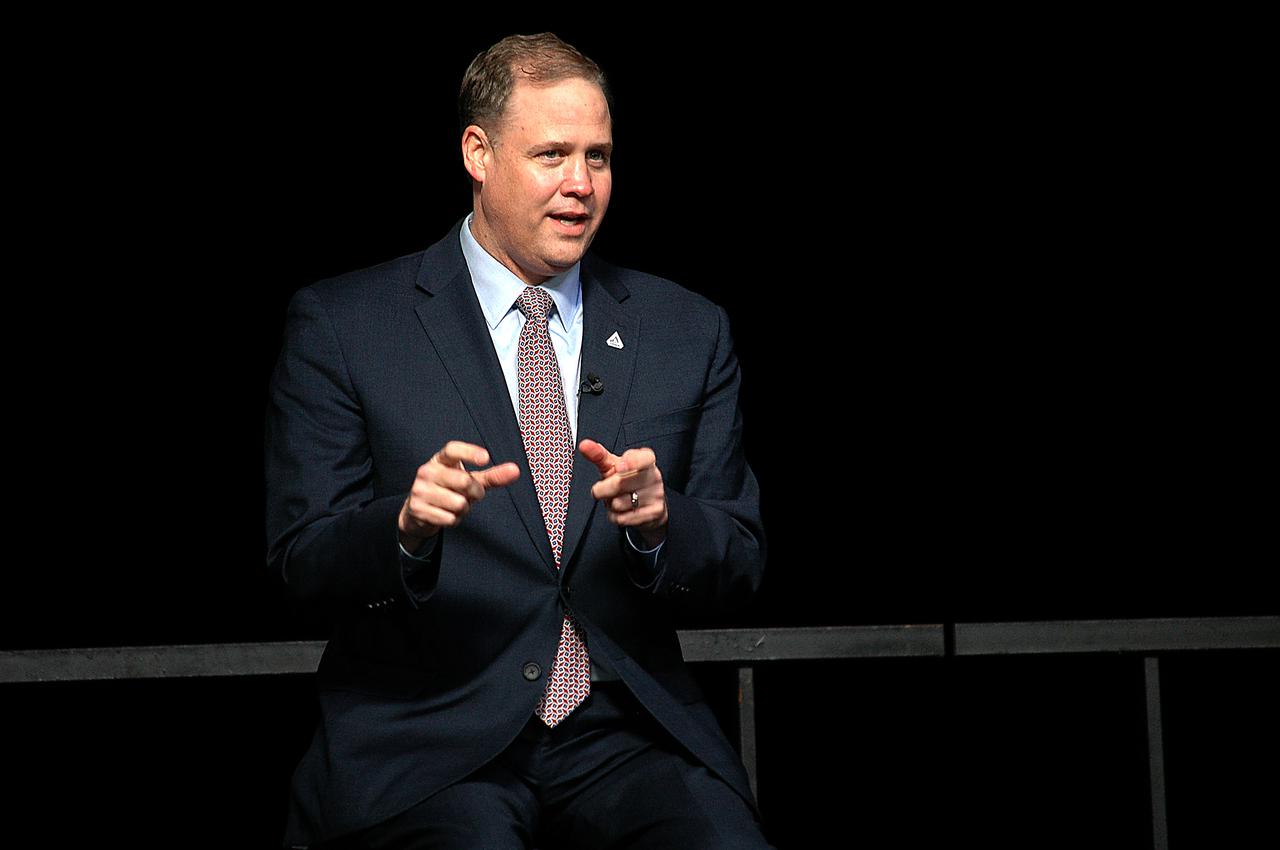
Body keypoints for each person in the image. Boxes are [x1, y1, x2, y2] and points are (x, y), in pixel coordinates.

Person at [265, 32, 770, 849]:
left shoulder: (686, 330)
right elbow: (299, 562)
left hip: (625, 734)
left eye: (598, 157)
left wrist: (661, 523)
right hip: (431, 737)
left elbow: (742, 558)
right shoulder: (346, 325)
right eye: (551, 155)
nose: (580, 185)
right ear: (478, 152)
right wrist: (404, 529)